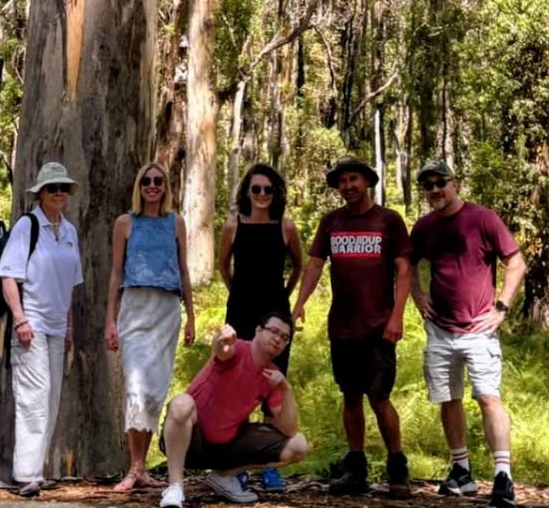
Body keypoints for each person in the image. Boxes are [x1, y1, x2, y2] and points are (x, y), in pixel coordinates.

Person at [292, 155, 412, 498]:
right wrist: (300, 303)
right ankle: (356, 469)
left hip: (379, 328)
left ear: (367, 181)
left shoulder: (389, 221)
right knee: (350, 396)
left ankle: (397, 469)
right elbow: (314, 266)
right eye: (343, 181)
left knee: (380, 397)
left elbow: (404, 269)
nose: (348, 186)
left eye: (354, 179)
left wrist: (397, 315)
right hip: (342, 327)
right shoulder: (331, 222)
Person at [408, 159, 525, 508]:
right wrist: (417, 294)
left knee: (488, 398)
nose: (434, 191)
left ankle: (503, 475)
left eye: (439, 183)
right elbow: (409, 263)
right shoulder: (425, 227)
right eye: (427, 186)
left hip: (479, 328)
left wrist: (501, 307)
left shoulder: (482, 219)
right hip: (441, 329)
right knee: (449, 398)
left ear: (454, 183)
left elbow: (515, 262)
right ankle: (462, 470)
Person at [105, 162, 197, 491]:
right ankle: (134, 467)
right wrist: (110, 321)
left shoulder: (176, 223)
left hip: (166, 310)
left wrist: (191, 316)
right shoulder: (125, 223)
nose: (153, 186)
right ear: (139, 186)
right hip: (134, 308)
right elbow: (116, 273)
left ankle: (142, 467)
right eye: (147, 181)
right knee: (134, 387)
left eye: (158, 181)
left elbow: (184, 270)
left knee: (155, 390)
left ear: (166, 187)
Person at [0, 160, 84, 499]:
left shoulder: (70, 232)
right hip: (30, 324)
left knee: (51, 398)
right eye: (52, 188)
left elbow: (70, 288)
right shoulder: (27, 226)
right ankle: (27, 474)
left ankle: (38, 470)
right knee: (33, 398)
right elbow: (8, 276)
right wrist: (20, 319)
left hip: (57, 327)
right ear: (41, 193)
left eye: (63, 188)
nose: (59, 193)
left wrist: (70, 330)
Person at [159, 319, 310, 508]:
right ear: (258, 329)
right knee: (181, 403)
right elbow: (221, 350)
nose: (278, 339)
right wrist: (221, 339)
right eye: (274, 331)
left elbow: (289, 430)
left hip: (226, 447)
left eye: (284, 337)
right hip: (189, 441)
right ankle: (175, 487)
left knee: (299, 445)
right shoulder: (237, 348)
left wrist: (286, 389)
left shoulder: (273, 375)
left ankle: (223, 477)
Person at [218, 163, 304, 375]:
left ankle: (271, 409)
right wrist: (236, 290)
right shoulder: (232, 226)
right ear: (247, 192)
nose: (262, 194)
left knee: (273, 377)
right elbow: (223, 265)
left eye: (268, 189)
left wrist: (284, 294)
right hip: (240, 310)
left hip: (276, 312)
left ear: (276, 193)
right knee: (236, 374)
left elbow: (298, 266)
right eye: (256, 189)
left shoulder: (286, 227)